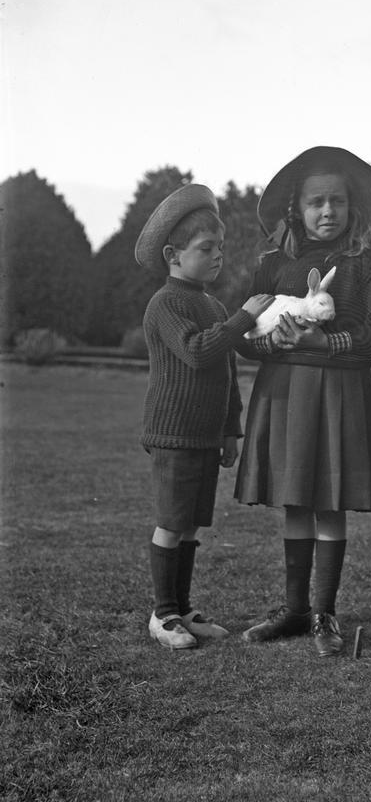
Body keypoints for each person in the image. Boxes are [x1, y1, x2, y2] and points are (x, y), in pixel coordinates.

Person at [234, 146, 371, 657]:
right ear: (295, 209)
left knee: (329, 501)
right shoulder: (272, 265)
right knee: (296, 498)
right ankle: (294, 609)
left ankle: (325, 614)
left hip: (339, 392)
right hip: (284, 394)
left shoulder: (365, 264)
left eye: (338, 202)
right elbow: (243, 334)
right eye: (316, 203)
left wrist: (325, 343)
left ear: (353, 209)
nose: (328, 212)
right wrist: (270, 343)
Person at [135, 184, 274, 649]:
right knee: (172, 522)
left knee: (191, 525)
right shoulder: (166, 304)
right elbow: (197, 352)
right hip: (173, 435)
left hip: (205, 438)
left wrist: (230, 432)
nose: (217, 256)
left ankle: (183, 608)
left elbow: (230, 369)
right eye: (206, 248)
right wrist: (241, 318)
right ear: (173, 255)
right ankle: (162, 614)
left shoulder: (212, 305)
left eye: (220, 247)